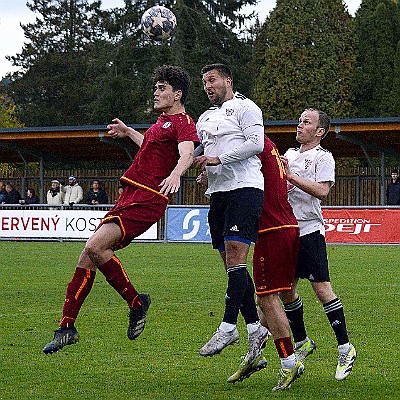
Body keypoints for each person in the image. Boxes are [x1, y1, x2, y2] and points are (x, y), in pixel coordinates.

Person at [43, 64, 199, 354]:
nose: (156, 91)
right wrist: (128, 132)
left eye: (161, 88)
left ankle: (136, 303)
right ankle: (66, 327)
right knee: (87, 254)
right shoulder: (160, 123)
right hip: (130, 194)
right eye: (156, 87)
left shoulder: (184, 122)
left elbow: (187, 153)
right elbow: (150, 148)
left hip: (149, 197)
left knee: (96, 247)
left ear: (177, 94)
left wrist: (177, 173)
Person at [194, 63, 269, 365]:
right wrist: (205, 172)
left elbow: (257, 144)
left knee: (237, 260)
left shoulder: (246, 107)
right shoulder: (204, 117)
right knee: (231, 267)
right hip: (219, 195)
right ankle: (253, 327)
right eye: (204, 82)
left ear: (228, 80)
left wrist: (218, 158)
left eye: (212, 80)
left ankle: (228, 326)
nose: (207, 86)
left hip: (245, 188)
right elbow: (204, 153)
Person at [280, 108, 356, 381]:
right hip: (286, 231)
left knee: (322, 290)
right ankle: (302, 342)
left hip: (309, 230)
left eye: (306, 122)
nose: (299, 125)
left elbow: (323, 191)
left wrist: (291, 178)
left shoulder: (323, 157)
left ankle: (345, 348)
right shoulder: (287, 155)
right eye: (300, 120)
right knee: (286, 290)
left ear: (320, 131)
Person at [227, 135, 304, 390]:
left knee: (267, 299)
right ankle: (254, 354)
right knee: (266, 303)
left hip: (272, 231)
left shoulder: (253, 147)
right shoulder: (268, 147)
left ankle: (289, 362)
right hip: (286, 226)